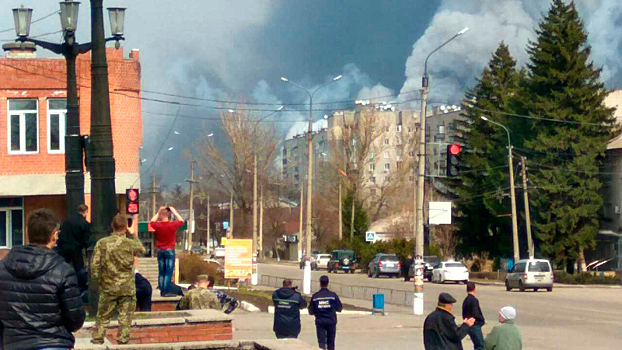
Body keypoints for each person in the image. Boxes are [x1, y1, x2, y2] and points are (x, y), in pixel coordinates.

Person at [0, 209, 86, 350]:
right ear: (54, 235)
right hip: (54, 342)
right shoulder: (63, 271)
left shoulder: (2, 268)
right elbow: (75, 320)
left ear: (28, 232)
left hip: (14, 343)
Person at [91, 213, 146, 345]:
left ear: (112, 226)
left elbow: (94, 267)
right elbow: (142, 250)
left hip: (108, 287)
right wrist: (133, 234)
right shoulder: (130, 244)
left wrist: (100, 282)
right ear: (126, 227)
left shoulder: (102, 243)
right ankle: (122, 342)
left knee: (102, 318)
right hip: (127, 288)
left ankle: (97, 341)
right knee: (125, 319)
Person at [56, 204, 91, 293]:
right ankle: (77, 288)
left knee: (63, 268)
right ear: (86, 212)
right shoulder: (85, 224)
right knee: (79, 270)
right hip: (77, 249)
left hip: (64, 248)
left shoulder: (67, 221)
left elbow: (62, 234)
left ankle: (63, 285)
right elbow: (85, 240)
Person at [150, 206, 184, 297]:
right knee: (168, 272)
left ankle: (161, 289)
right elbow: (181, 221)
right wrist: (175, 212)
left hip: (160, 250)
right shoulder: (172, 225)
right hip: (169, 250)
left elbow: (151, 222)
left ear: (161, 216)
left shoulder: (157, 225)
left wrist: (158, 212)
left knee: (161, 271)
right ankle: (165, 291)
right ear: (169, 215)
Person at [308, 275, 342, 350]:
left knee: (321, 342)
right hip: (331, 321)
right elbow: (339, 308)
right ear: (328, 283)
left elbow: (310, 311)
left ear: (320, 284)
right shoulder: (333, 296)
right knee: (331, 342)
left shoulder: (315, 296)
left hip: (320, 322)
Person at [463, 282, 486, 350]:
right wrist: (481, 320)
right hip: (475, 325)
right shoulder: (474, 300)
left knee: (477, 344)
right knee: (480, 345)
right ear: (474, 289)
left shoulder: (465, 300)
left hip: (468, 324)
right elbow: (476, 313)